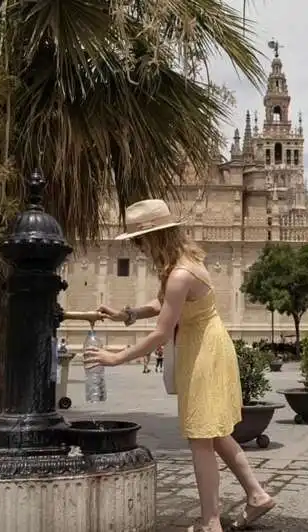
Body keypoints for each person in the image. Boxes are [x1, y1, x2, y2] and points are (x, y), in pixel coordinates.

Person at [83, 199, 274, 532]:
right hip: (205, 345)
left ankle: (210, 522)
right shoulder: (184, 264)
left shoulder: (179, 274)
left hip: (204, 352)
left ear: (155, 238)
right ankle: (256, 495)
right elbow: (163, 304)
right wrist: (127, 314)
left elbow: (160, 332)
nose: (139, 249)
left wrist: (116, 358)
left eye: (140, 242)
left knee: (200, 438)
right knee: (214, 433)